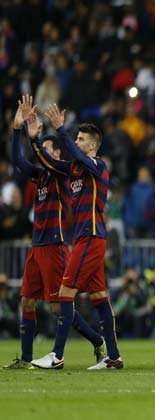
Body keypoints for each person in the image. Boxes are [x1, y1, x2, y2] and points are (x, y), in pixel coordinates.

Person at [4, 97, 106, 370]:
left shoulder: (64, 177)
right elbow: (17, 160)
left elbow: (42, 157)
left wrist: (39, 138)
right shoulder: (40, 177)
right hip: (37, 246)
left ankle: (96, 340)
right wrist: (18, 129)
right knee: (26, 300)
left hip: (55, 245)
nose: (41, 153)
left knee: (57, 306)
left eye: (47, 149)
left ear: (57, 154)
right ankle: (25, 359)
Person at [29, 103, 122, 370]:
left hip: (91, 236)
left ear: (92, 145)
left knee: (65, 292)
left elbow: (76, 157)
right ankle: (114, 356)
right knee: (99, 297)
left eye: (81, 139)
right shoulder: (76, 170)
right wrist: (34, 139)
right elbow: (51, 163)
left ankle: (57, 356)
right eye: (76, 137)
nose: (77, 141)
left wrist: (61, 130)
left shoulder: (96, 165)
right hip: (85, 238)